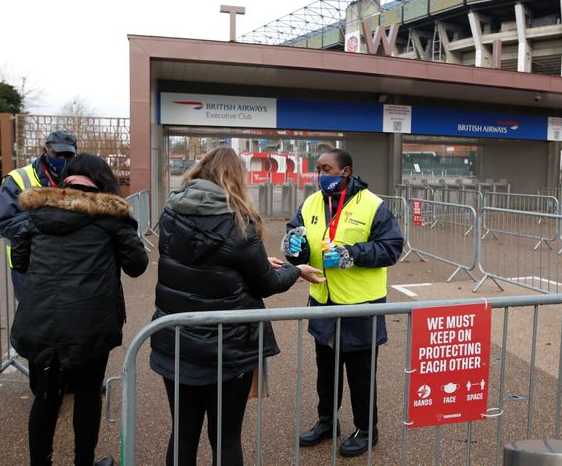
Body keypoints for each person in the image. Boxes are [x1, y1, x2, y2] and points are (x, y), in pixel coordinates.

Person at [149, 146, 324, 466]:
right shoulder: (237, 221)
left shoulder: (172, 211)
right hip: (225, 347)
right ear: (235, 178)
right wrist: (296, 271)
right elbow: (266, 284)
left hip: (175, 340)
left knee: (183, 432)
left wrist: (259, 263)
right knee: (226, 437)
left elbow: (204, 265)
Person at [10, 154, 149, 466]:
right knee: (87, 395)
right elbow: (138, 266)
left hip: (40, 320)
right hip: (90, 323)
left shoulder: (37, 213)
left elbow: (18, 261)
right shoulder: (111, 217)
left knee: (46, 397)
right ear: (103, 181)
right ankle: (84, 462)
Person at [283, 148, 403, 457]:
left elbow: (391, 248)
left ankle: (367, 429)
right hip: (323, 302)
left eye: (326, 169)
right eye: (318, 170)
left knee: (361, 376)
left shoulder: (372, 205)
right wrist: (293, 247)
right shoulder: (311, 202)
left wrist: (353, 253)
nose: (320, 176)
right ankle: (327, 421)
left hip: (361, 306)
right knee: (327, 372)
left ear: (345, 172)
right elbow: (296, 241)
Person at [0, 130, 78, 296]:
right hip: (30, 265)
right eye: (58, 153)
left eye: (68, 155)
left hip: (69, 264)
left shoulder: (78, 179)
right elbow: (6, 222)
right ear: (45, 150)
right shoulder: (18, 178)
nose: (62, 160)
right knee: (34, 317)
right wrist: (48, 222)